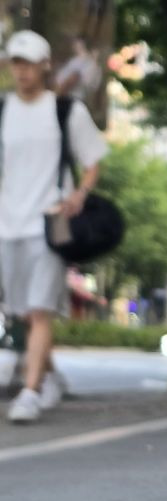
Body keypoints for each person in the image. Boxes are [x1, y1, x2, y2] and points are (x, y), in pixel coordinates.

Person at [3, 30, 108, 423]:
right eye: (16, 62)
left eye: (29, 63)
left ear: (46, 65)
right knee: (24, 313)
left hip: (53, 220)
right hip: (7, 221)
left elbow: (93, 159)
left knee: (40, 309)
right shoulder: (3, 111)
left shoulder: (65, 111)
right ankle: (49, 378)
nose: (22, 71)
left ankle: (29, 392)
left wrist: (79, 193)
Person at [55, 37, 102, 104]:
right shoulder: (73, 60)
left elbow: (88, 82)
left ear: (82, 45)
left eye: (77, 43)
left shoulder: (90, 62)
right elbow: (60, 78)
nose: (74, 45)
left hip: (75, 98)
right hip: (62, 95)